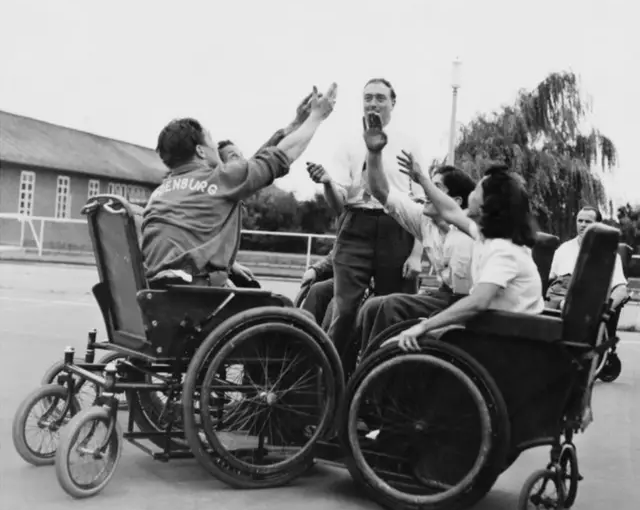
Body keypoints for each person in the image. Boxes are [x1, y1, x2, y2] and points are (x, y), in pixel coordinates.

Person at [141, 84, 337, 285]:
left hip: (156, 289)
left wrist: (295, 124)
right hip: (194, 291)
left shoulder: (161, 193)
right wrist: (316, 117)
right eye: (211, 142)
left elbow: (253, 167)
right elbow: (278, 156)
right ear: (200, 151)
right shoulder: (220, 179)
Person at [384, 150, 544, 352]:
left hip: (506, 344)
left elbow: (478, 301)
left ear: (488, 203)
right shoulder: (486, 237)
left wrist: (423, 327)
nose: (471, 194)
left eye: (477, 190)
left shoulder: (503, 251)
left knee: (406, 344)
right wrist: (422, 179)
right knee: (399, 343)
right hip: (495, 331)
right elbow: (450, 211)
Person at [322, 78, 427, 365]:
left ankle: (378, 378)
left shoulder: (409, 143)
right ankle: (330, 380)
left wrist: (417, 254)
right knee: (343, 311)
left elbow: (422, 205)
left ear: (393, 102)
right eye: (368, 97)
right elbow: (338, 202)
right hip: (356, 224)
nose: (373, 103)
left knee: (391, 309)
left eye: (380, 98)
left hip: (397, 226)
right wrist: (326, 184)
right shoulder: (347, 143)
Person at [357, 114, 476, 352]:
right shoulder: (425, 219)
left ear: (454, 200)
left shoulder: (472, 229)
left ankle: (380, 369)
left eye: (436, 187)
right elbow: (381, 192)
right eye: (428, 184)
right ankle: (364, 366)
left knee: (391, 305)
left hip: (467, 304)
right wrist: (374, 153)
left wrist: (421, 177)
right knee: (372, 307)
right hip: (444, 296)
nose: (426, 190)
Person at [547, 206, 628, 310]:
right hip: (559, 301)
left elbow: (621, 290)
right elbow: (549, 281)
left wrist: (604, 312)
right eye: (580, 221)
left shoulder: (610, 256)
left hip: (589, 305)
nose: (583, 225)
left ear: (598, 225)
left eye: (588, 222)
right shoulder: (563, 249)